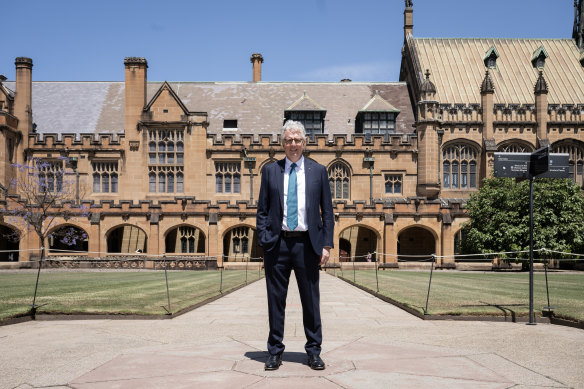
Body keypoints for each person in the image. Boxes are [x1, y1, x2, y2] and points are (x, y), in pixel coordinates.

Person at [257, 120, 334, 371]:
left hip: (307, 244)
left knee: (311, 300)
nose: (293, 144)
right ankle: (275, 351)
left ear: (305, 142)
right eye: (289, 140)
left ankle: (313, 351)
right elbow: (262, 209)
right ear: (282, 143)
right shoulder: (270, 171)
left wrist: (326, 245)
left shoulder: (318, 171)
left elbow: (328, 212)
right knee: (275, 300)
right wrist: (264, 237)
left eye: (297, 140)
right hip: (277, 244)